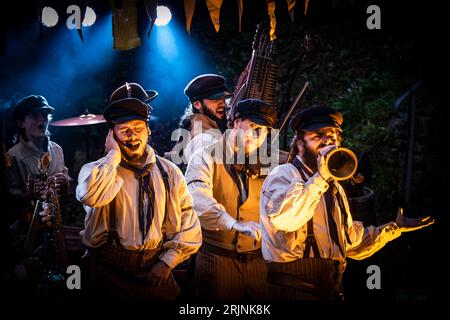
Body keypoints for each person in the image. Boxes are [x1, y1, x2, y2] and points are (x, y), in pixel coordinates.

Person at [260, 105, 435, 300]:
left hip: (330, 289)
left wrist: (394, 228)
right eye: (319, 135)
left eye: (334, 137)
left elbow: (351, 242)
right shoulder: (283, 174)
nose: (329, 141)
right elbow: (285, 220)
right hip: (292, 290)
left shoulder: (334, 188)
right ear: (300, 144)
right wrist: (320, 178)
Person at [75, 82, 202, 300]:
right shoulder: (96, 171)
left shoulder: (169, 172)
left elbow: (189, 223)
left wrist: (167, 261)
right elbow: (91, 196)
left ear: (148, 129)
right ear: (112, 135)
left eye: (138, 128)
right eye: (124, 130)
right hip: (107, 274)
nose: (132, 136)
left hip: (154, 271)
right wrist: (113, 156)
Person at [185, 98, 277, 300]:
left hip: (258, 265)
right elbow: (197, 197)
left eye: (264, 131)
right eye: (252, 127)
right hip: (217, 261)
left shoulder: (266, 163)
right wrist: (232, 223)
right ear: (236, 122)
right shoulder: (204, 156)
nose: (257, 136)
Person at [175, 74, 233, 165]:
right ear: (197, 104)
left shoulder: (210, 130)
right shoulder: (203, 139)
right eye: (215, 99)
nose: (222, 104)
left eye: (223, 98)